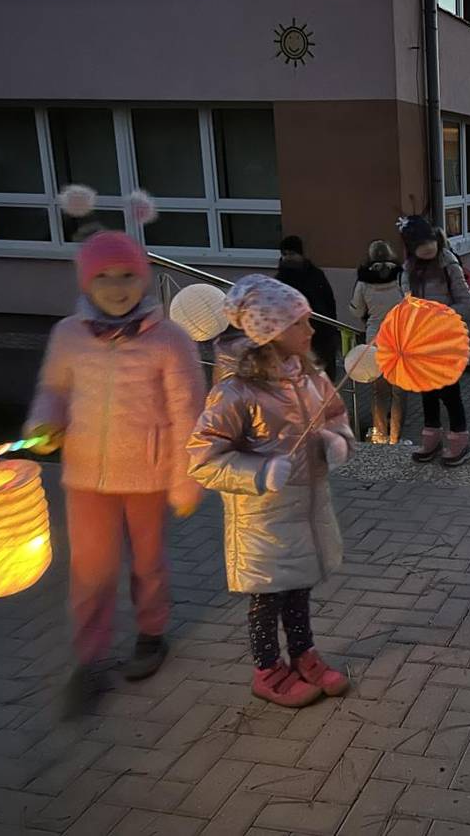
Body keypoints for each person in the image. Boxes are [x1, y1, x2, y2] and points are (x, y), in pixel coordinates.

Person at [25, 224, 205, 717]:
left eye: (128, 274)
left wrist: (185, 476)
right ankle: (90, 657)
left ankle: (151, 632)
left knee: (147, 562)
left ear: (144, 278)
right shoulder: (67, 335)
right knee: (90, 570)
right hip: (84, 475)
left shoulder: (170, 339)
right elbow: (54, 390)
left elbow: (188, 410)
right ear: (86, 282)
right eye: (104, 276)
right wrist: (44, 425)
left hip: (146, 473)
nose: (118, 286)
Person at [187, 274, 355, 708]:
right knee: (267, 597)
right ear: (272, 333)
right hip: (263, 520)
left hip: (306, 510)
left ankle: (303, 653)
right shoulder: (235, 392)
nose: (312, 329)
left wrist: (337, 440)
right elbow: (203, 460)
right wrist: (259, 473)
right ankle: (267, 668)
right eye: (301, 322)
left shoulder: (310, 376)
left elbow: (334, 417)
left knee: (298, 587)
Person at [398, 215, 470, 466]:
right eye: (421, 244)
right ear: (411, 248)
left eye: (430, 240)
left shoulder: (448, 263)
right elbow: (406, 302)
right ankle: (431, 439)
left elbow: (467, 302)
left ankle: (459, 441)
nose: (428, 247)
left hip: (446, 340)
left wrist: (442, 316)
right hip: (421, 341)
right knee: (427, 393)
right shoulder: (409, 270)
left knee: (450, 392)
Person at [350, 240, 406, 444]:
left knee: (379, 392)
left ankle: (380, 434)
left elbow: (356, 310)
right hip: (399, 339)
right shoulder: (401, 277)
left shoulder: (363, 282)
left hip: (375, 340)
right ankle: (395, 437)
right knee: (399, 392)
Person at [275, 235, 339, 382]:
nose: (288, 258)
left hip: (321, 335)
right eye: (285, 254)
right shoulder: (280, 280)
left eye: (292, 254)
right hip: (294, 338)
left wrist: (331, 328)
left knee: (324, 379)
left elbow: (329, 302)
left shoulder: (315, 275)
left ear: (300, 254)